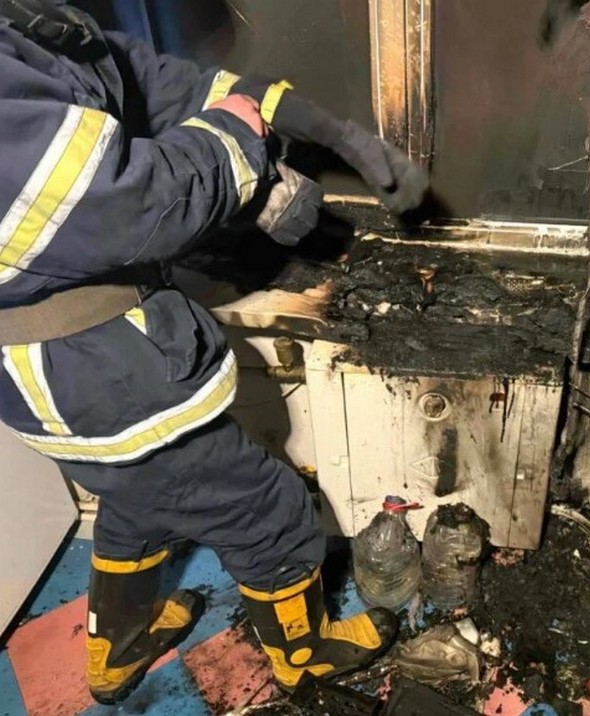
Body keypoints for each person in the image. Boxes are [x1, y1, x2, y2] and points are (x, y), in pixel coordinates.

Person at [0, 0, 428, 704]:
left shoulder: (19, 19)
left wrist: (317, 124)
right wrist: (236, 138)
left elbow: (129, 75)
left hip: (61, 383)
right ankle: (303, 656)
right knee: (266, 510)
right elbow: (124, 203)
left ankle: (116, 649)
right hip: (95, 370)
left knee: (137, 500)